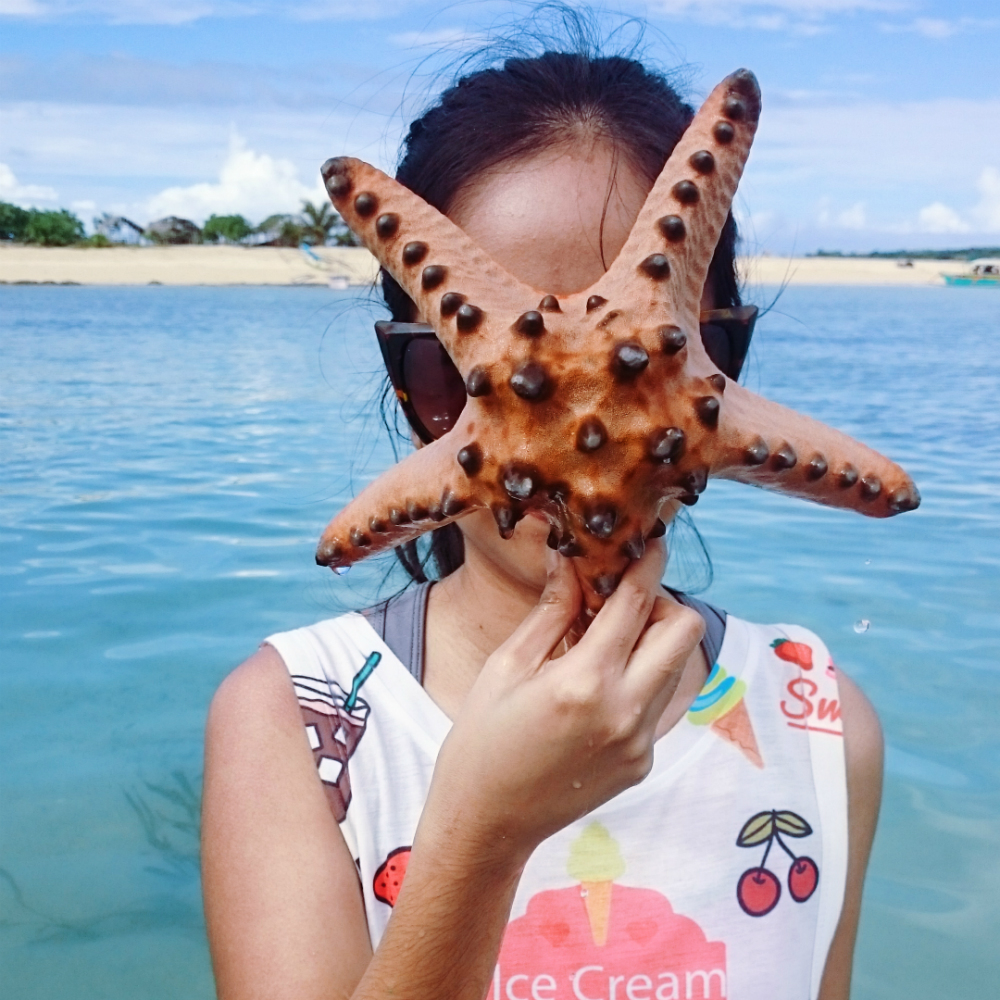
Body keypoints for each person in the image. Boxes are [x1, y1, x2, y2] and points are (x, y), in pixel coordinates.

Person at [201, 42, 883, 1000]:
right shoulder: (296, 726)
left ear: (719, 374)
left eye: (647, 360)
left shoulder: (821, 729)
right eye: (484, 378)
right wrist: (481, 838)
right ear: (416, 392)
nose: (585, 429)